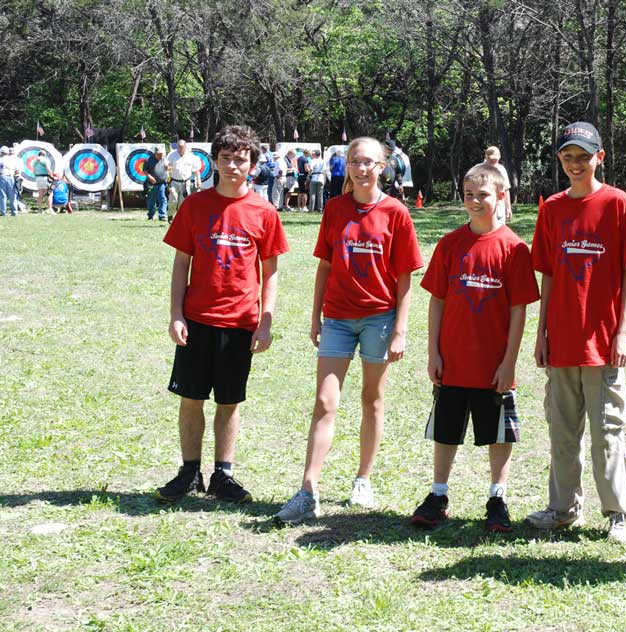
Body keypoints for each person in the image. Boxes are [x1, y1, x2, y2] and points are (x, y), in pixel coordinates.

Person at [273, 136, 423, 524]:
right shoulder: (336, 209)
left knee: (372, 399)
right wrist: (314, 316)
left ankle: (363, 479)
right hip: (337, 318)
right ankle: (308, 490)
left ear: (383, 166)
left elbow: (405, 278)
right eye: (355, 161)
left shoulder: (396, 213)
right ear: (348, 164)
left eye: (369, 162)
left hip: (380, 319)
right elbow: (324, 265)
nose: (361, 168)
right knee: (325, 402)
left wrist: (401, 330)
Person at [154, 124, 289, 505]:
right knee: (191, 397)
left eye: (241, 159)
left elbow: (271, 272)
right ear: (213, 161)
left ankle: (223, 475)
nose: (233, 166)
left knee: (229, 402)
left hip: (240, 322)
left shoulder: (264, 212)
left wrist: (266, 321)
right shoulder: (195, 206)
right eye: (226, 158)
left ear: (253, 165)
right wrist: (176, 314)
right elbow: (182, 264)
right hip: (197, 320)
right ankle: (189, 471)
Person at [527, 122, 626, 544]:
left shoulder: (616, 203)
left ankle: (619, 513)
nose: (576, 164)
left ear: (600, 157)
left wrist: (623, 330)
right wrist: (541, 334)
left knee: (607, 431)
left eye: (584, 156)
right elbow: (550, 275)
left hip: (603, 340)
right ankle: (562, 509)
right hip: (562, 339)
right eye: (568, 157)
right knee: (561, 430)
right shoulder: (552, 208)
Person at [409, 163, 539, 532]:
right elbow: (437, 300)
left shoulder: (513, 248)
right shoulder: (451, 244)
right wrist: (433, 352)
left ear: (500, 196)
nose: (475, 201)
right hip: (453, 360)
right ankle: (438, 494)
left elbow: (518, 310)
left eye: (483, 195)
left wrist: (509, 362)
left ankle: (497, 497)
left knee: (498, 432)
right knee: (446, 429)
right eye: (468, 195)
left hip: (493, 364)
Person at [167, 140, 203, 212]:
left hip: (186, 182)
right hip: (174, 181)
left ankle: (180, 219)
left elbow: (196, 170)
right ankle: (170, 215)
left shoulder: (191, 156)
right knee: (173, 199)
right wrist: (168, 178)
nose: (180, 149)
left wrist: (199, 181)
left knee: (183, 202)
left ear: (185, 147)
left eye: (182, 148)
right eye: (179, 147)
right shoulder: (171, 155)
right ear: (177, 147)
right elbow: (167, 167)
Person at [483, 146, 513, 223]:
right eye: (491, 160)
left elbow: (506, 190)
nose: (493, 162)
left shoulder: (502, 170)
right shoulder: (478, 170)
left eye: (495, 160)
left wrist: (508, 208)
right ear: (486, 157)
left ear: (499, 157)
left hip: (499, 211)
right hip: (483, 210)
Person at [146, 145, 171, 223]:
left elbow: (169, 167)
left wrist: (168, 168)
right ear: (155, 153)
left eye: (161, 154)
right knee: (151, 200)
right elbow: (145, 171)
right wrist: (150, 177)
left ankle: (162, 215)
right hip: (151, 184)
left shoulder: (164, 159)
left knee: (162, 198)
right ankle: (150, 215)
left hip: (162, 183)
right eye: (159, 154)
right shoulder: (148, 160)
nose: (160, 155)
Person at [0, 145, 22, 216]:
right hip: (11, 177)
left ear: (1, 152)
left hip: (2, 177)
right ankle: (14, 212)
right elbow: (17, 171)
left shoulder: (0, 159)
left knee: (3, 195)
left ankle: (3, 212)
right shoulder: (13, 159)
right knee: (13, 195)